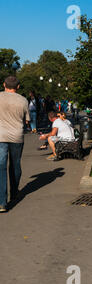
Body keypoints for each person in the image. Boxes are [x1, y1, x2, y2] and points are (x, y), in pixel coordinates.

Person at [0, 76, 30, 212]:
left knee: (1, 167)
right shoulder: (23, 100)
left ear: (4, 85)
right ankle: (14, 193)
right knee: (15, 164)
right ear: (18, 87)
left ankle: (1, 202)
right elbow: (27, 120)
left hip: (0, 136)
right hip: (17, 136)